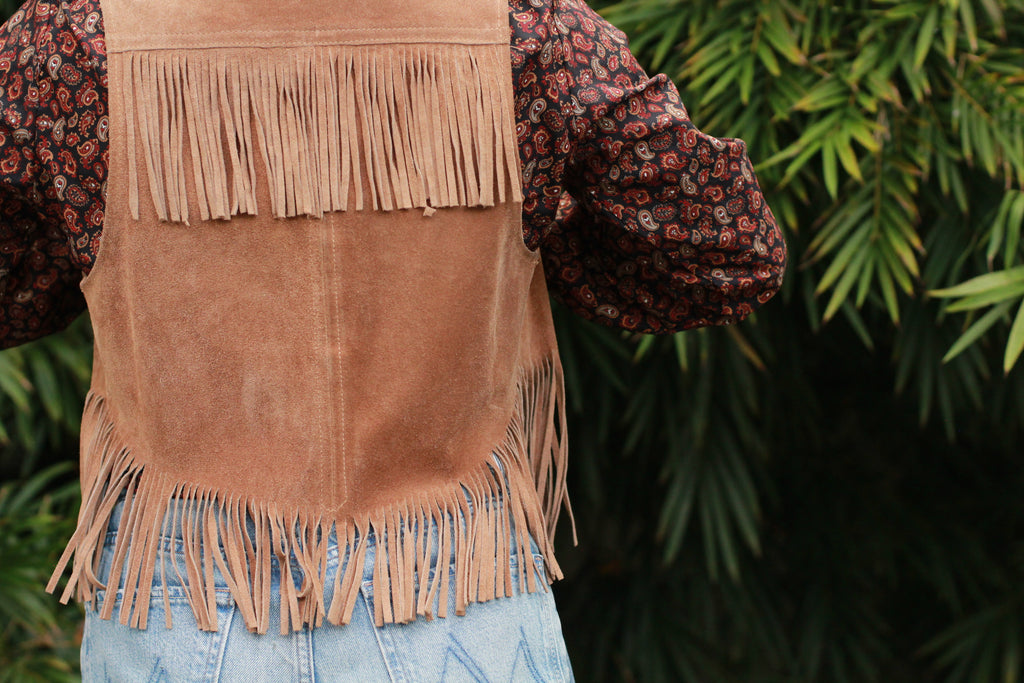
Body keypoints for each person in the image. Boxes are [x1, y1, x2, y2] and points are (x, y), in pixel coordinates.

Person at [0, 0, 786, 679]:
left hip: (186, 598)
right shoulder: (527, 32)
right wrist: (537, 229)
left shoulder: (74, 42)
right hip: (456, 585)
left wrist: (100, 250)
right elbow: (723, 250)